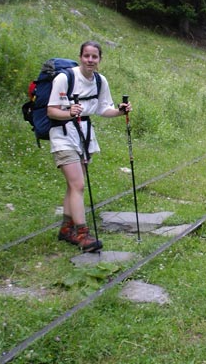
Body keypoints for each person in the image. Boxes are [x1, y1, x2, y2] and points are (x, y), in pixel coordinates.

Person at [47, 40, 132, 252]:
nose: (90, 60)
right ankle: (82, 234)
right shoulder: (64, 78)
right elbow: (51, 110)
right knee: (78, 185)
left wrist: (121, 111)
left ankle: (66, 229)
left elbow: (104, 109)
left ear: (100, 59)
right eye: (86, 56)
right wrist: (69, 113)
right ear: (80, 56)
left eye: (94, 57)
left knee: (73, 185)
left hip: (84, 136)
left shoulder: (100, 81)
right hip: (63, 135)